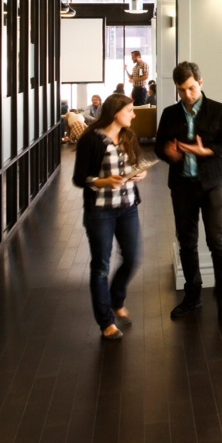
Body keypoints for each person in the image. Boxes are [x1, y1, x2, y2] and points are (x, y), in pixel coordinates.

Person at [155, 61, 222, 323]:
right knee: (187, 243)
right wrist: (168, 152)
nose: (187, 95)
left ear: (200, 83)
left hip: (212, 183)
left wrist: (206, 151)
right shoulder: (169, 113)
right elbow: (158, 147)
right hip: (181, 186)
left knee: (218, 242)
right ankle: (193, 296)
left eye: (191, 88)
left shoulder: (219, 110)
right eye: (182, 90)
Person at [71, 93, 147, 341]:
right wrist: (102, 181)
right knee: (101, 266)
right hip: (100, 211)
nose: (133, 115)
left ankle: (117, 299)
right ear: (116, 113)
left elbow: (137, 163)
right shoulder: (90, 141)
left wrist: (140, 174)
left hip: (128, 206)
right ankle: (106, 322)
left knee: (133, 257)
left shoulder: (128, 136)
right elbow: (79, 178)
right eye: (130, 110)